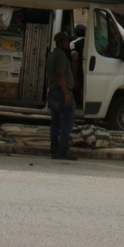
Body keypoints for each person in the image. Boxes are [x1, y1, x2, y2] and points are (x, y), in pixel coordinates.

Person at [46, 31, 78, 161]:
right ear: (60, 42)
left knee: (55, 123)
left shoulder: (52, 55)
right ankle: (63, 151)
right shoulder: (60, 55)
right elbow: (60, 74)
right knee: (66, 124)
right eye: (65, 40)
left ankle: (54, 149)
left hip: (53, 92)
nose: (68, 43)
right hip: (61, 92)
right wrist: (66, 94)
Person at [70, 23, 86, 104]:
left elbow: (75, 59)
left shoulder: (73, 43)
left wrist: (75, 77)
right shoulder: (88, 42)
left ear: (75, 33)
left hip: (77, 72)